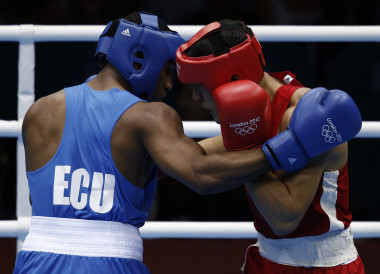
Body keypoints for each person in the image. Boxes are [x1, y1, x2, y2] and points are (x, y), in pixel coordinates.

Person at [12, 11, 342, 274]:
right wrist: (287, 146)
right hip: (109, 260)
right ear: (140, 59)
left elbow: (45, 190)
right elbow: (201, 172)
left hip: (35, 258)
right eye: (170, 71)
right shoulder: (149, 116)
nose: (171, 86)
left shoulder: (40, 110)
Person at [176, 19, 365, 273]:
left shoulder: (303, 116)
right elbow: (194, 160)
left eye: (201, 85)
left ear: (233, 78)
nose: (195, 98)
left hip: (320, 265)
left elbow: (284, 218)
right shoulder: (259, 112)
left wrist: (243, 143)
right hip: (266, 258)